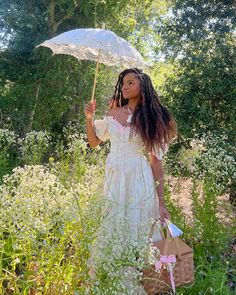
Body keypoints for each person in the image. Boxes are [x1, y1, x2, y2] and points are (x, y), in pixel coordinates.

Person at [84, 68, 177, 293]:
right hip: (115, 178)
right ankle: (109, 278)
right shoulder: (114, 113)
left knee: (138, 227)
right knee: (113, 223)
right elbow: (94, 142)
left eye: (131, 83)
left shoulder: (151, 117)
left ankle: (142, 281)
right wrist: (88, 117)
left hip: (139, 178)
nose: (125, 87)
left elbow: (156, 161)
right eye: (123, 83)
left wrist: (161, 201)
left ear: (142, 87)